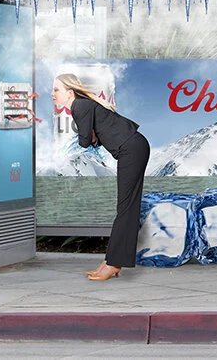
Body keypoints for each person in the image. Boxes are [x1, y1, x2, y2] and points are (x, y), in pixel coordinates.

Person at [51, 73, 150, 281]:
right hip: (133, 147)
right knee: (126, 208)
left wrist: (87, 135)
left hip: (131, 148)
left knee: (125, 208)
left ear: (69, 92)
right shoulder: (83, 106)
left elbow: (86, 141)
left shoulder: (79, 106)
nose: (52, 94)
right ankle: (110, 261)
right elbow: (93, 139)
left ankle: (113, 263)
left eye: (56, 89)